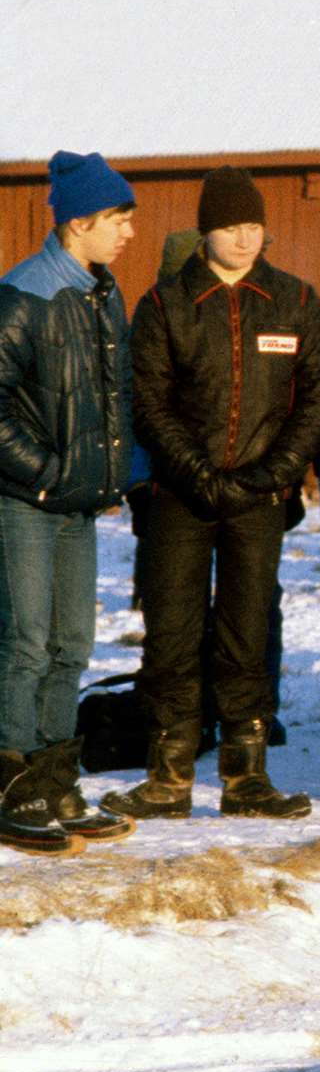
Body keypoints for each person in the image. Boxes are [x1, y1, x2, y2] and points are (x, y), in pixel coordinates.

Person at [108, 168, 320, 824]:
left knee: (247, 632)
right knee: (172, 633)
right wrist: (197, 474)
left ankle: (246, 776)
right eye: (231, 225)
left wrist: (276, 472)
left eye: (253, 225)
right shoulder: (166, 304)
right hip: (181, 496)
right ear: (206, 230)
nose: (244, 236)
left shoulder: (293, 300)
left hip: (260, 498)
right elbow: (147, 403)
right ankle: (168, 774)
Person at [0, 150, 141, 855]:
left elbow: (113, 399)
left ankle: (56, 780)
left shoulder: (102, 293)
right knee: (24, 644)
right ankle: (12, 785)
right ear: (79, 221)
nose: (129, 233)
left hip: (79, 504)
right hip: (26, 501)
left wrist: (110, 473)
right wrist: (49, 470)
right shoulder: (21, 295)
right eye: (119, 219)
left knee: (71, 647)